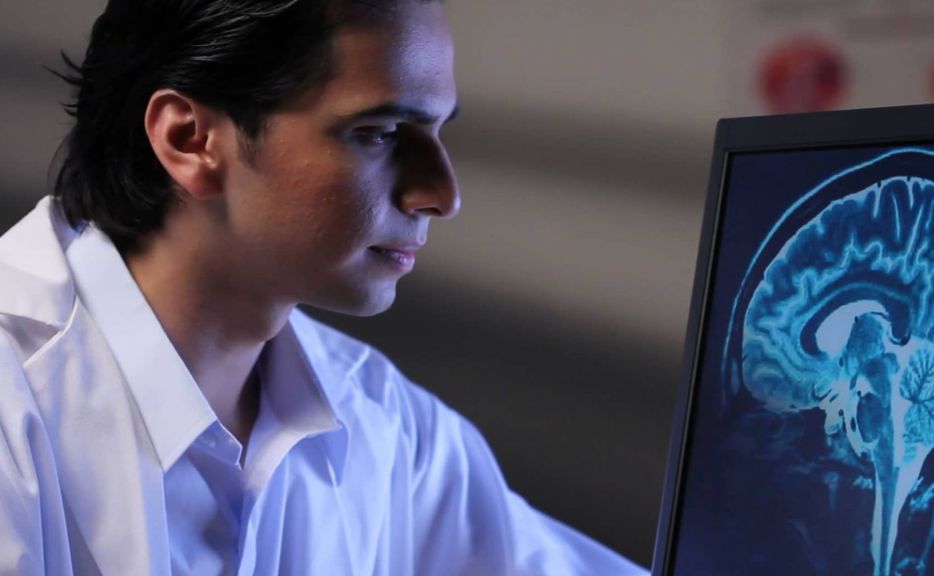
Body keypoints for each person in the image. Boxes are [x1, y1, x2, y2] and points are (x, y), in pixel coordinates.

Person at [0, 0, 647, 574]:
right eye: (380, 134)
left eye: (438, 131)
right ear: (189, 139)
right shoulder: (13, 402)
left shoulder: (393, 432)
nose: (441, 194)